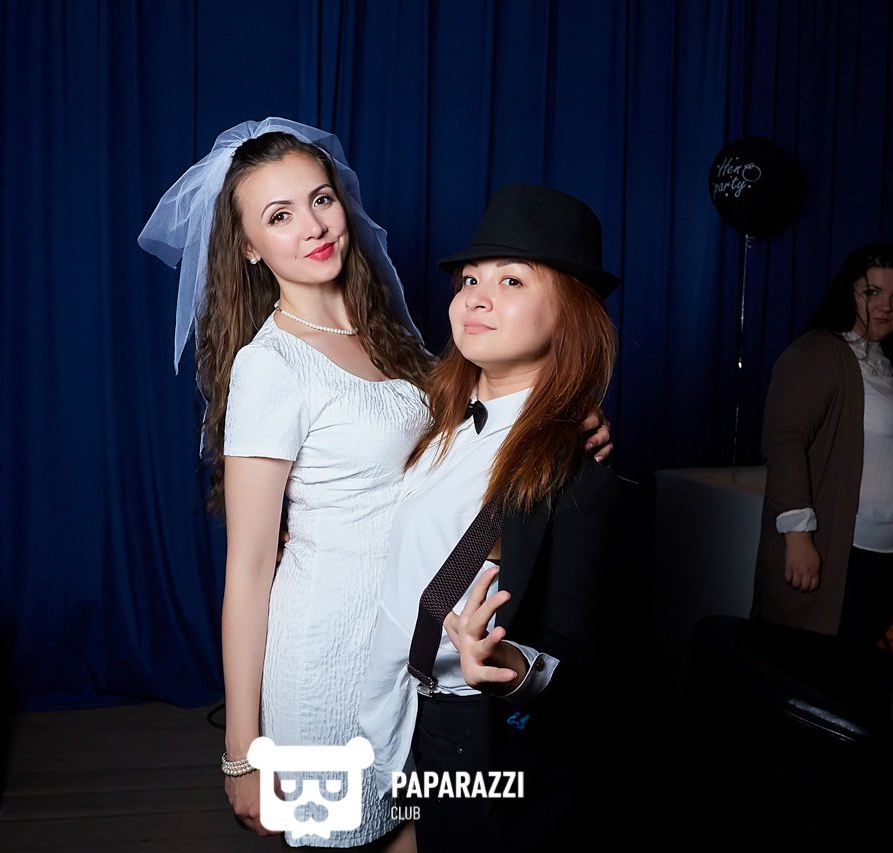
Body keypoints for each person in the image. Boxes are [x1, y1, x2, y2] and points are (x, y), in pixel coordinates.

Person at [138, 121, 611, 849]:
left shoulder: (391, 335)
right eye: (279, 215)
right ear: (248, 247)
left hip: (413, 657)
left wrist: (571, 420)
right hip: (327, 650)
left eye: (320, 198)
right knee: (345, 835)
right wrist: (243, 752)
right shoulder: (271, 365)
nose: (312, 226)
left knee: (415, 831)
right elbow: (249, 566)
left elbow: (481, 437)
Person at [359, 184, 623, 849]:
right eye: (470, 279)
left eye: (511, 280)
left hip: (478, 737)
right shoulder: (434, 418)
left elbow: (584, 658)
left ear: (569, 314)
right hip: (397, 713)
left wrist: (510, 662)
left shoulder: (576, 465)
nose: (476, 296)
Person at [751, 241, 893, 648]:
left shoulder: (891, 361)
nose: (885, 307)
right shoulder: (819, 351)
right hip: (840, 549)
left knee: (857, 669)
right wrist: (798, 538)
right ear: (849, 292)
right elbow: (785, 442)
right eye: (872, 292)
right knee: (815, 669)